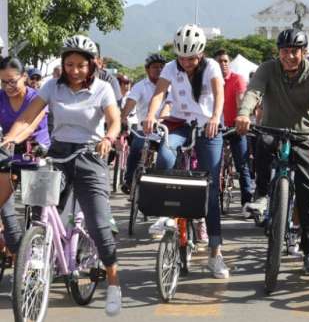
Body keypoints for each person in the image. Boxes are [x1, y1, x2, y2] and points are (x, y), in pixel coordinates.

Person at [1, 35, 122, 316]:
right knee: (39, 207)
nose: (75, 70)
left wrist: (109, 137)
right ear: (63, 64)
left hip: (90, 155)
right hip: (58, 154)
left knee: (99, 225)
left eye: (81, 65)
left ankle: (114, 282)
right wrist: (10, 139)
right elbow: (27, 118)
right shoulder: (52, 87)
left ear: (92, 65)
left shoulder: (103, 88)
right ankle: (38, 258)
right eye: (69, 64)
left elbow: (115, 119)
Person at [235, 28, 309, 276]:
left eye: (295, 51)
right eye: (284, 51)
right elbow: (253, 92)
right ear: (278, 52)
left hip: (303, 135)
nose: (289, 56)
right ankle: (260, 195)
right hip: (273, 128)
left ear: (304, 52)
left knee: (307, 194)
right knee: (261, 144)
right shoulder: (267, 69)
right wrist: (243, 113)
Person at [142, 24, 229, 279]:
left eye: (191, 57)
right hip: (180, 124)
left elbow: (219, 93)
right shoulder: (170, 67)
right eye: (182, 57)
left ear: (200, 54)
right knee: (166, 156)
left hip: (208, 128)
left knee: (211, 190)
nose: (186, 62)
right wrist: (150, 115)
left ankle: (215, 253)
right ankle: (167, 215)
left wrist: (215, 117)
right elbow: (159, 94)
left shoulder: (211, 66)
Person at [0, 57, 51, 263]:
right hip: (9, 158)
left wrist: (10, 139)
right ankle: (19, 256)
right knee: (5, 209)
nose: (8, 87)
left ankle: (37, 254)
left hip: (36, 156)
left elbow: (28, 125)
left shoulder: (37, 98)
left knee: (39, 214)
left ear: (24, 77)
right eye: (3, 82)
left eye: (12, 81)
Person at [120, 54, 169, 194]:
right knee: (136, 148)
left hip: (165, 130)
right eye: (155, 67)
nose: (159, 70)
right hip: (144, 130)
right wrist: (122, 118)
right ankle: (129, 180)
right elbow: (130, 103)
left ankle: (165, 184)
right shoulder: (140, 86)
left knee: (168, 155)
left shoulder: (171, 86)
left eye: (161, 67)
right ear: (147, 70)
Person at [214, 49, 254, 209]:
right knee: (212, 164)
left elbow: (241, 102)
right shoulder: (211, 80)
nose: (223, 64)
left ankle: (246, 204)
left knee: (242, 164)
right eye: (219, 61)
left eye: (225, 61)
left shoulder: (237, 79)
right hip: (217, 127)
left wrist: (241, 119)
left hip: (235, 127)